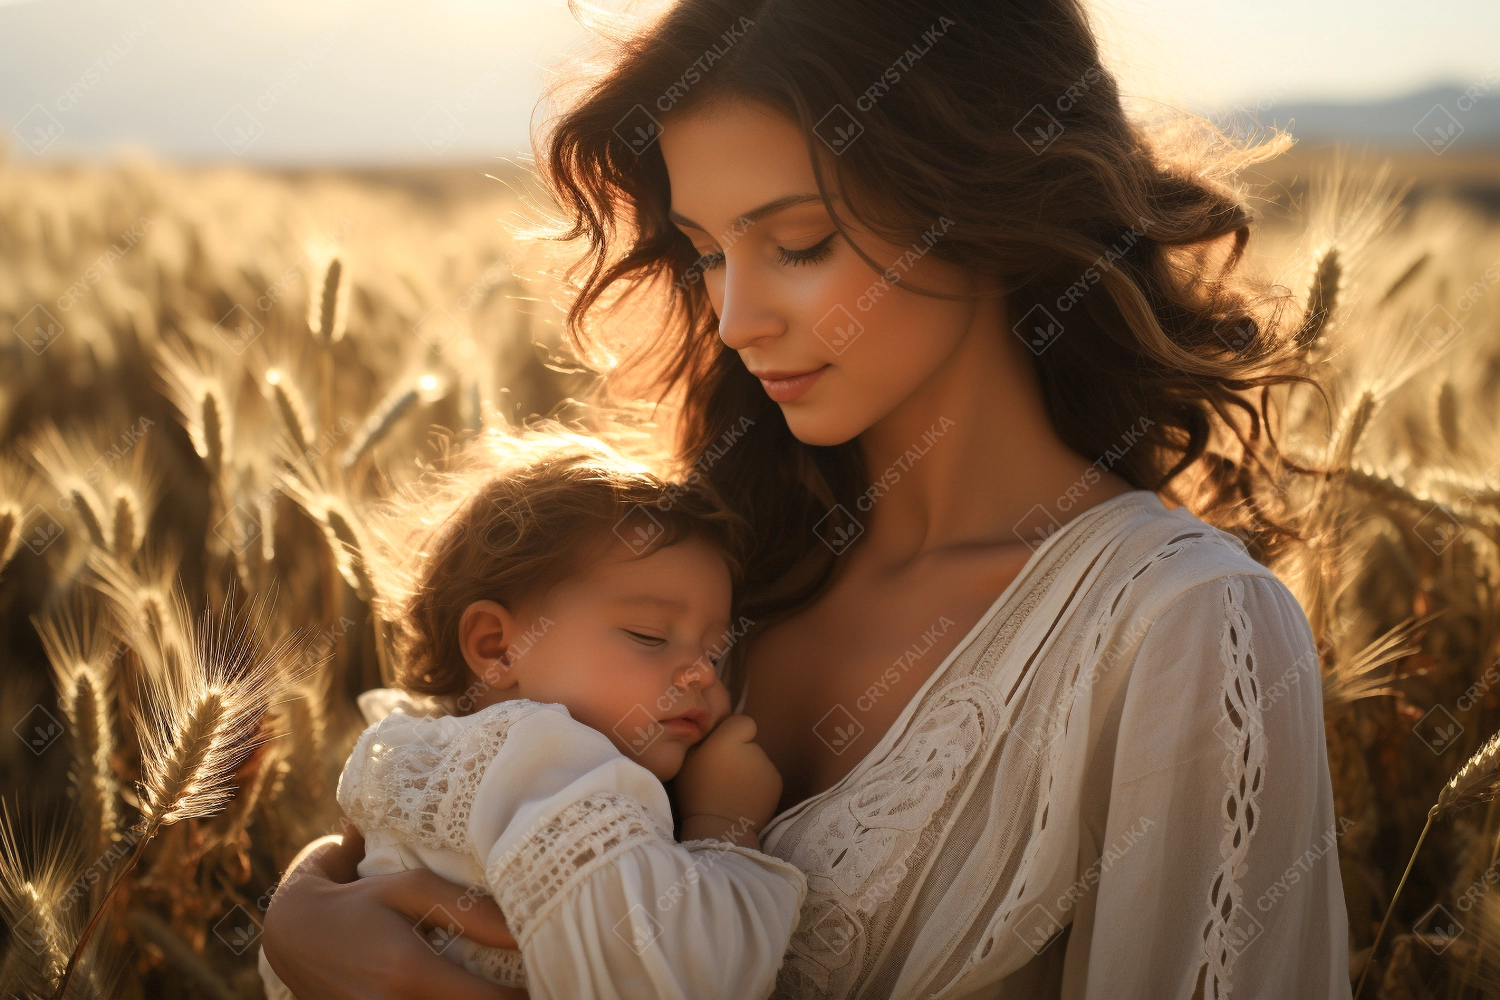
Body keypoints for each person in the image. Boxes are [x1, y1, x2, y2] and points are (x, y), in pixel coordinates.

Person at [263, 0, 1353, 997]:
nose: (736, 318)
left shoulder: (1181, 629)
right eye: (702, 253)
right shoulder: (703, 563)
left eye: (797, 244)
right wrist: (309, 916)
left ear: (985, 204)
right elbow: (451, 797)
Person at [258, 431, 805, 999]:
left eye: (715, 652)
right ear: (497, 647)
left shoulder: (435, 757)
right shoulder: (541, 757)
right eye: (649, 635)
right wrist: (725, 825)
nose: (702, 674)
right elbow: (681, 975)